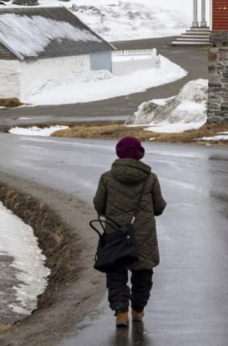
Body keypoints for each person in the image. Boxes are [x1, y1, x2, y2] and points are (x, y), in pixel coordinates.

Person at [94, 136, 166, 328]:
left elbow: (99, 206)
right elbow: (158, 208)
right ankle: (138, 311)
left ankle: (121, 314)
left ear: (118, 153)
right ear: (140, 154)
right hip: (143, 235)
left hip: (116, 234)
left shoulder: (107, 177)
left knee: (116, 272)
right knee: (143, 273)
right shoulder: (150, 178)